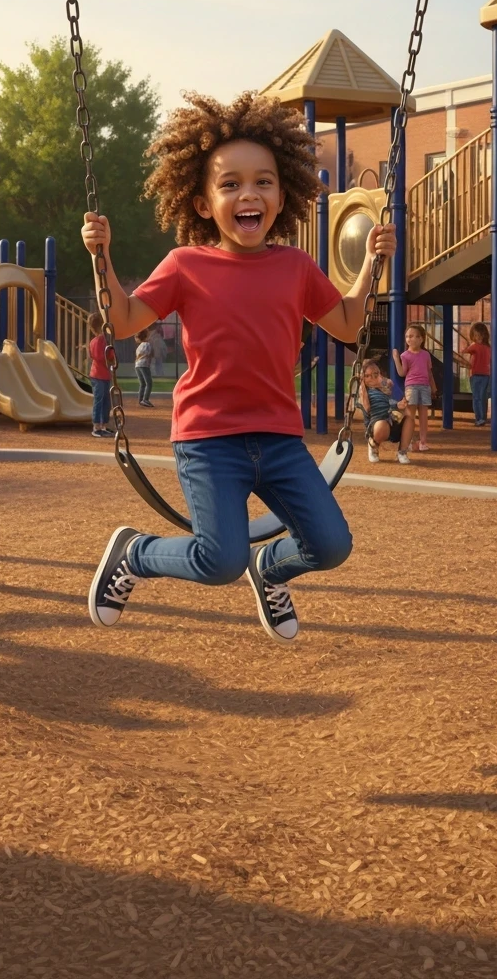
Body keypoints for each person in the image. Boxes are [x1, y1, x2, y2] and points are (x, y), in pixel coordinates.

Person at [81, 89, 397, 644]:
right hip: (209, 439)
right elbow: (125, 320)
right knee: (218, 559)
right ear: (203, 203)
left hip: (277, 437)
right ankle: (136, 554)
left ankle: (270, 569)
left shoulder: (295, 267)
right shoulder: (185, 264)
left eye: (263, 181)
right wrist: (101, 257)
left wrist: (372, 264)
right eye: (230, 184)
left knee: (331, 545)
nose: (248, 193)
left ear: (282, 197)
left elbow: (349, 324)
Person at [357, 359, 412, 464]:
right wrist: (363, 387)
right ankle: (373, 445)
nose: (372, 378)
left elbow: (392, 402)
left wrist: (399, 404)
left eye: (375, 374)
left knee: (409, 419)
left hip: (390, 420)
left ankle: (402, 452)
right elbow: (367, 408)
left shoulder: (385, 388)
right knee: (382, 423)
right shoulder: (364, 391)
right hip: (376, 424)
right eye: (367, 376)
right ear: (362, 378)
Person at [392, 324, 437, 452]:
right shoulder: (405, 355)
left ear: (421, 339)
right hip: (411, 386)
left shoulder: (426, 355)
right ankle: (409, 441)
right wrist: (396, 358)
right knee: (410, 415)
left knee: (423, 415)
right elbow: (402, 373)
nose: (409, 339)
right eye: (407, 336)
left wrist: (433, 387)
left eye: (412, 336)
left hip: (425, 386)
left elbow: (429, 372)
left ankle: (423, 442)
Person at [87, 312, 115, 438]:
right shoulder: (98, 341)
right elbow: (99, 356)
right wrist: (109, 357)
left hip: (103, 374)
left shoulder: (103, 340)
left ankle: (103, 424)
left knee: (106, 400)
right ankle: (96, 425)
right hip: (98, 375)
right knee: (100, 399)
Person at [459, 321, 491, 426]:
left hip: (484, 374)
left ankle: (481, 417)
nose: (478, 338)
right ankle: (480, 418)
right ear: (473, 336)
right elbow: (464, 351)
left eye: (480, 335)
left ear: (485, 336)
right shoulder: (477, 346)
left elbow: (463, 351)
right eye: (476, 336)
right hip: (476, 374)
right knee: (478, 396)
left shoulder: (485, 347)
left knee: (481, 396)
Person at [135, 327, 154, 407]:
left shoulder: (139, 346)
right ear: (146, 336)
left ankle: (140, 399)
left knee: (142, 383)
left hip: (137, 365)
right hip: (144, 365)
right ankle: (145, 399)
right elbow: (150, 354)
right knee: (149, 383)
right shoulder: (147, 344)